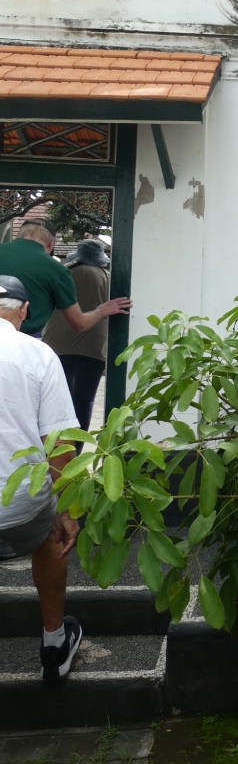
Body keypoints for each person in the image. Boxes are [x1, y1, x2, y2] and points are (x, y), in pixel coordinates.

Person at [0, 275, 83, 681]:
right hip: (21, 503)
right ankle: (54, 643)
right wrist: (67, 510)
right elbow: (59, 441)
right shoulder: (37, 353)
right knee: (52, 533)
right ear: (24, 311)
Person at [0, 218, 130, 337]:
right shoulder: (57, 270)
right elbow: (79, 324)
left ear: (18, 235)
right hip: (22, 339)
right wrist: (102, 310)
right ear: (51, 243)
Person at [43, 239, 111, 433]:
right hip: (93, 346)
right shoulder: (107, 277)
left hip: (57, 344)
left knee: (56, 400)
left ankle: (55, 443)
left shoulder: (65, 273)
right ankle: (77, 444)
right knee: (84, 400)